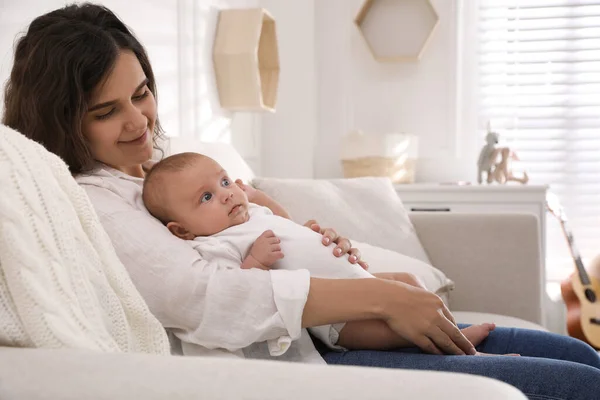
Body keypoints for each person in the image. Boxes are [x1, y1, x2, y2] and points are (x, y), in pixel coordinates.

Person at [3, 3, 599, 398]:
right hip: (308, 356)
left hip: (346, 321)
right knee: (571, 384)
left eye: (142, 94)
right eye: (107, 112)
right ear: (61, 120)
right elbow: (203, 294)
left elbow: (254, 239)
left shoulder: (162, 172)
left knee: (577, 357)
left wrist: (313, 242)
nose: (138, 122)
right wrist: (379, 294)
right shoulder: (95, 201)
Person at [141, 152, 499, 354]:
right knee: (398, 334)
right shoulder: (214, 244)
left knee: (410, 282)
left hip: (359, 282)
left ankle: (455, 333)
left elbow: (285, 223)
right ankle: (468, 352)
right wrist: (256, 262)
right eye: (206, 198)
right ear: (182, 230)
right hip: (336, 321)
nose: (226, 194)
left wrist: (304, 228)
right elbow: (235, 292)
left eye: (223, 182)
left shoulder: (248, 214)